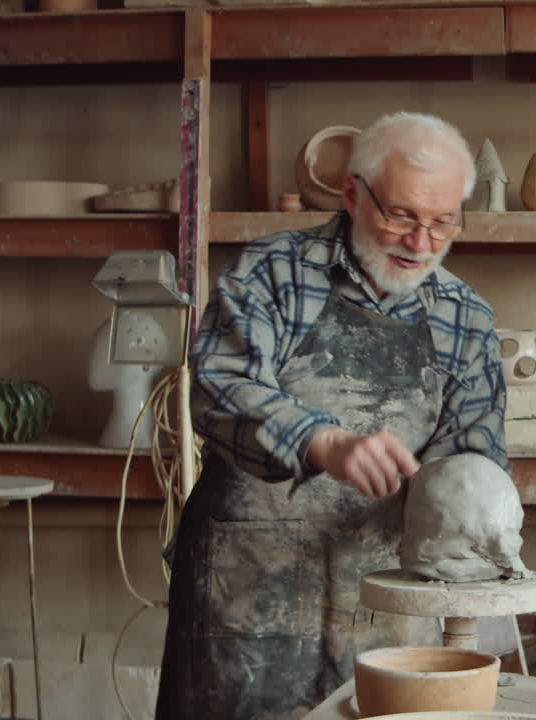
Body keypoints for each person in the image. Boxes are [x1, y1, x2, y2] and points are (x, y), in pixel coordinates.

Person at [156, 111, 508, 720]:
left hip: (383, 603)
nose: (420, 243)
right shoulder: (271, 274)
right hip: (247, 596)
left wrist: (473, 503)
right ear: (351, 193)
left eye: (443, 222)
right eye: (400, 215)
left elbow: (473, 453)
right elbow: (219, 386)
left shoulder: (466, 317)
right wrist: (323, 440)